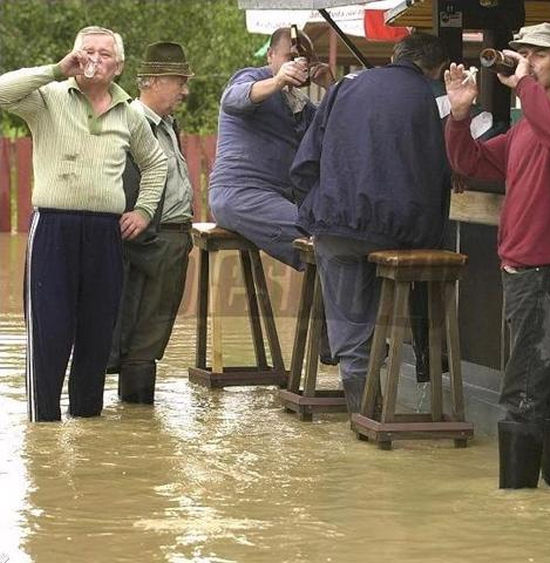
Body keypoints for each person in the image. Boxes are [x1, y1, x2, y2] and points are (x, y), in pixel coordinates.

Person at [444, 22, 550, 488]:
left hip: (545, 275)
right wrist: (460, 116)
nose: (527, 61)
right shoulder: (528, 127)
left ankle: (517, 506)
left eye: (540, 56)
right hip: (528, 273)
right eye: (524, 53)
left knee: (522, 390)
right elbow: (469, 162)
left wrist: (524, 84)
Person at [0, 26, 167, 422]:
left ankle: (88, 428)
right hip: (53, 228)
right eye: (86, 51)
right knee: (50, 333)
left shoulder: (130, 112)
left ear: (119, 66)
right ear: (73, 57)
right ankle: (44, 431)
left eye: (104, 53)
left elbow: (155, 163)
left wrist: (143, 210)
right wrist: (57, 70)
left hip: (105, 233)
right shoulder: (47, 98)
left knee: (97, 335)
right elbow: (3, 91)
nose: (94, 58)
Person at [290, 32, 452, 414]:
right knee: (390, 297)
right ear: (436, 69)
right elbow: (436, 176)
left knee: (351, 323)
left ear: (396, 55)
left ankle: (362, 413)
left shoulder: (345, 86)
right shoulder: (425, 99)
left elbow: (304, 164)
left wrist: (314, 211)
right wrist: (430, 238)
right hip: (397, 233)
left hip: (336, 227)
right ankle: (395, 391)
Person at [107, 42, 194, 404]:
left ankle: (132, 431)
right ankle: (137, 422)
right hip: (151, 241)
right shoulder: (132, 123)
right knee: (142, 338)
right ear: (153, 81)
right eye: (179, 81)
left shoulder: (167, 124)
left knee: (142, 336)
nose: (185, 90)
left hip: (166, 239)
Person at [208, 27, 334, 271]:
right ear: (270, 56)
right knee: (321, 236)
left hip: (276, 198)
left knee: (336, 233)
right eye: (291, 57)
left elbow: (337, 128)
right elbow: (232, 100)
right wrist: (278, 80)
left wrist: (331, 85)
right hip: (239, 194)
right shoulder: (251, 78)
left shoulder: (300, 103)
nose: (299, 64)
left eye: (305, 59)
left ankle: (325, 307)